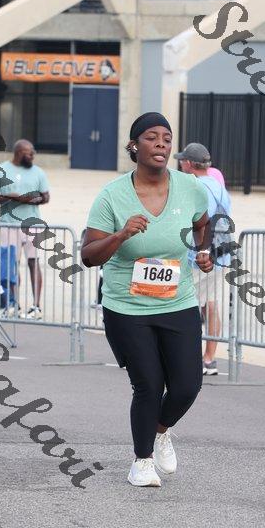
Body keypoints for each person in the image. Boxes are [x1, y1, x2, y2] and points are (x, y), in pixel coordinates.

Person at [81, 112, 212, 487]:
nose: (161, 144)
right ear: (134, 146)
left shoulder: (190, 188)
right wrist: (121, 235)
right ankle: (142, 461)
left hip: (177, 301)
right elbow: (88, 256)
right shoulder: (112, 195)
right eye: (152, 137)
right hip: (127, 307)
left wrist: (203, 251)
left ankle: (160, 430)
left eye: (167, 138)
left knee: (187, 386)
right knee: (149, 385)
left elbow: (203, 224)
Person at [174, 142, 231, 375]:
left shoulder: (197, 187)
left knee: (187, 305)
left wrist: (199, 251)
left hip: (199, 256)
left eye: (182, 160)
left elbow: (199, 222)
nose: (180, 164)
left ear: (189, 163)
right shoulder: (219, 186)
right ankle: (209, 358)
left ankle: (189, 358)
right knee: (212, 304)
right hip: (220, 254)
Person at [0, 139, 50, 320]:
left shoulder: (38, 172)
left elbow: (46, 197)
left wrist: (32, 200)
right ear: (19, 153)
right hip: (9, 224)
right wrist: (11, 197)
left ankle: (36, 307)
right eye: (29, 153)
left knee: (33, 262)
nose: (33, 155)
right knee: (11, 265)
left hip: (32, 225)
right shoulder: (0, 170)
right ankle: (13, 304)